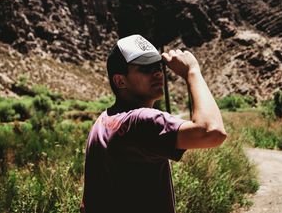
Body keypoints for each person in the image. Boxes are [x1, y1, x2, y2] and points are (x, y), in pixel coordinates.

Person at [80, 34, 227, 213]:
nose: (157, 72)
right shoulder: (141, 120)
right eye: (145, 68)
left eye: (158, 66)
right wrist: (192, 72)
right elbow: (212, 132)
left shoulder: (104, 119)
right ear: (120, 80)